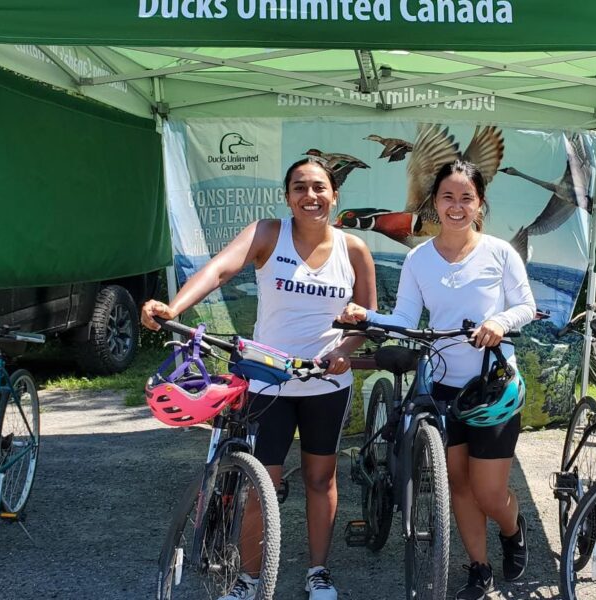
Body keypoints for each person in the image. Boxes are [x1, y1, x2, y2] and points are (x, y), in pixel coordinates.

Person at [141, 156, 377, 600]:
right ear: (287, 196)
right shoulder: (268, 233)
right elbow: (218, 270)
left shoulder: (354, 249)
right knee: (260, 481)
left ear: (335, 195)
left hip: (326, 384)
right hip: (268, 380)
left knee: (320, 479)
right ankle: (249, 579)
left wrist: (345, 353)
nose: (310, 196)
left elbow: (365, 320)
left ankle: (318, 573)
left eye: (319, 188)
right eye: (300, 188)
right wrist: (173, 308)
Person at [338, 160, 536, 600]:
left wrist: (500, 323)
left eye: (467, 197)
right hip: (443, 388)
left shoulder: (500, 253)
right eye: (448, 196)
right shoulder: (418, 259)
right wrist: (367, 316)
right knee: (459, 484)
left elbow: (525, 305)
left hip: (494, 387)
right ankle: (479, 568)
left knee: (489, 492)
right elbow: (407, 318)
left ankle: (512, 528)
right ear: (434, 202)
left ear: (480, 203)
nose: (457, 206)